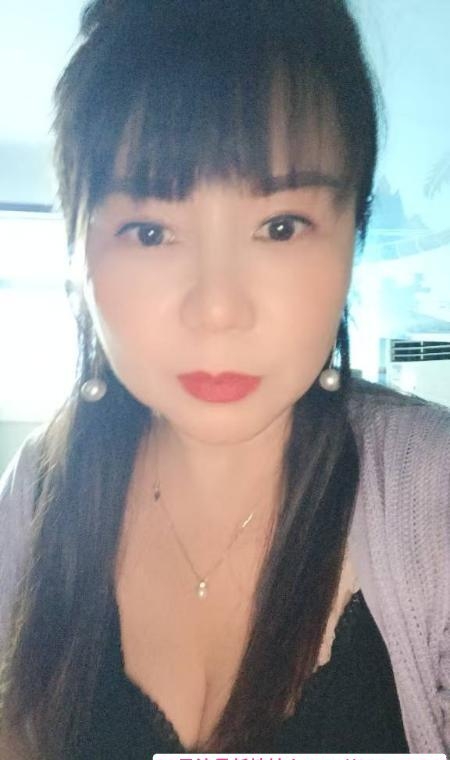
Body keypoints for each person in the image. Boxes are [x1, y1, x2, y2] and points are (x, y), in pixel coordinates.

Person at [0, 0, 449, 757]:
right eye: (151, 231)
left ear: (354, 232)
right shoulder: (38, 491)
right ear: (78, 246)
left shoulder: (432, 502)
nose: (216, 310)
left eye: (280, 226)